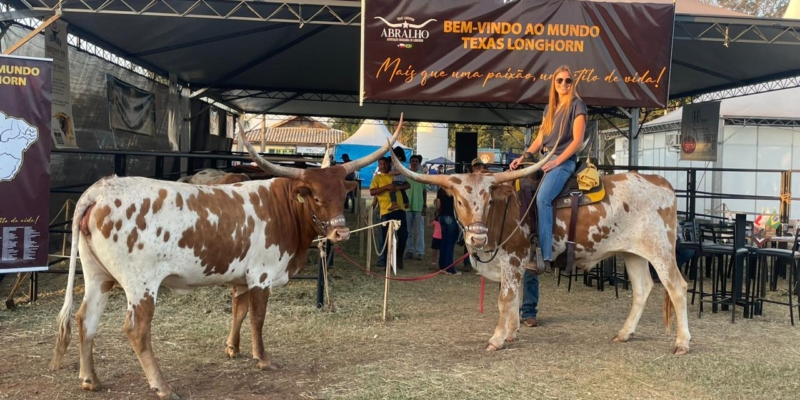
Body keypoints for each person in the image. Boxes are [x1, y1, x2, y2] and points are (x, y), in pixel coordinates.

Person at [509, 65, 587, 274]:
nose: (563, 84)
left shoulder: (578, 105)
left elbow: (577, 141)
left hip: (564, 161)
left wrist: (556, 161)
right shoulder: (549, 109)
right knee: (519, 189)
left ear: (573, 83)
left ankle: (545, 256)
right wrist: (523, 157)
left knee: (543, 199)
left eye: (568, 80)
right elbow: (540, 139)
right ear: (554, 83)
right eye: (559, 80)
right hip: (546, 160)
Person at [370, 157, 410, 269]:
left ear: (389, 165)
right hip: (386, 212)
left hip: (400, 211)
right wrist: (386, 187)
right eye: (380, 164)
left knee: (403, 235)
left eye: (384, 164)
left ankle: (399, 257)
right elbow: (372, 192)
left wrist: (398, 187)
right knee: (386, 238)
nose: (382, 166)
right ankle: (387, 262)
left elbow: (407, 185)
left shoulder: (394, 175)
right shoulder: (377, 178)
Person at [404, 155, 427, 260]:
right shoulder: (406, 174)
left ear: (419, 163)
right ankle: (409, 250)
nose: (414, 162)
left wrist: (425, 205)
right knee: (408, 230)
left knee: (420, 230)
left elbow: (424, 191)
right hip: (407, 206)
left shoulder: (422, 175)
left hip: (419, 206)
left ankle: (420, 251)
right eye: (412, 161)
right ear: (410, 162)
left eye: (416, 161)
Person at [435, 187, 460, 275]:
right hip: (452, 217)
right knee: (450, 243)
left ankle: (442, 265)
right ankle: (449, 267)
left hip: (442, 217)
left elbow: (438, 206)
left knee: (443, 242)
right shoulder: (455, 191)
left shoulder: (440, 191)